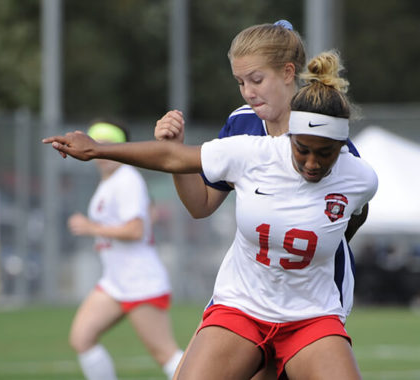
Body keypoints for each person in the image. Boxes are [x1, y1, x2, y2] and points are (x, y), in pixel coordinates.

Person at [45, 50, 377, 379]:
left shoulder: (360, 177)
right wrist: (96, 149)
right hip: (243, 308)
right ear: (290, 136)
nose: (311, 163)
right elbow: (173, 158)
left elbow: (354, 217)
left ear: (342, 145)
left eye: (325, 153)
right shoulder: (252, 153)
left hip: (311, 316)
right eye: (301, 149)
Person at [155, 20, 368, 379]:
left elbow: (354, 215)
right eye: (240, 83)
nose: (248, 92)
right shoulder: (243, 124)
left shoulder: (327, 140)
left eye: (256, 80)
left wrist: (301, 246)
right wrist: (174, 155)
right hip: (248, 293)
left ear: (288, 73)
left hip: (309, 300)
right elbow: (200, 205)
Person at [65, 121, 184, 379]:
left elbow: (135, 231)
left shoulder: (126, 179)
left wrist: (90, 227)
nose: (102, 152)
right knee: (82, 337)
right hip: (115, 281)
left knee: (165, 354)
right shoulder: (111, 182)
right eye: (97, 144)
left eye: (109, 145)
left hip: (140, 281)